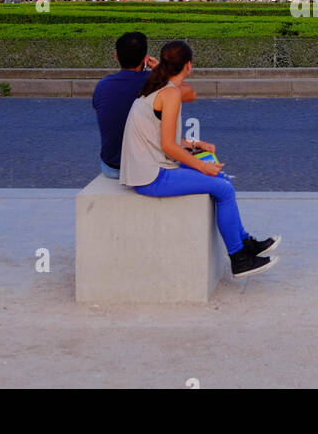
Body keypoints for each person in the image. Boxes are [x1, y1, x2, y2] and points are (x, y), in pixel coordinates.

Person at [120, 41, 280, 278]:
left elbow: (160, 136)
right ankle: (238, 258)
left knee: (223, 178)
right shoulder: (170, 93)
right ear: (188, 66)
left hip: (148, 168)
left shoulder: (158, 87)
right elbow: (167, 145)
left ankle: (245, 243)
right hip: (151, 176)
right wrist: (202, 165)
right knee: (222, 188)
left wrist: (197, 145)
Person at [92, 31, 194, 179]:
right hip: (145, 168)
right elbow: (187, 93)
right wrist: (161, 70)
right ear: (145, 58)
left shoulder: (102, 86)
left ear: (117, 57)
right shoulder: (154, 82)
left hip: (111, 167)